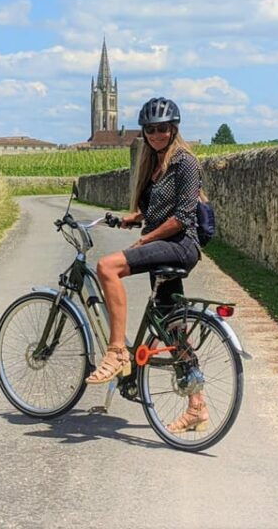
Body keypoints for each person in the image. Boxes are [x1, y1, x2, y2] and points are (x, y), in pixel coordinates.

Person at [85, 96, 208, 433]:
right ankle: (197, 407)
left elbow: (182, 218)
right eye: (151, 129)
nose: (157, 134)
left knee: (108, 267)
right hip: (165, 245)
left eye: (163, 129)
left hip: (179, 246)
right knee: (173, 327)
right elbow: (155, 211)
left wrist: (145, 239)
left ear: (174, 129)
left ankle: (116, 353)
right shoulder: (154, 165)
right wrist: (130, 220)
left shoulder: (185, 163)